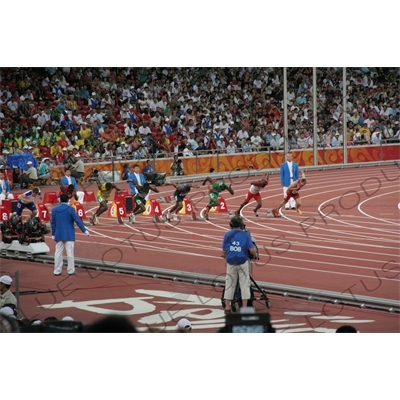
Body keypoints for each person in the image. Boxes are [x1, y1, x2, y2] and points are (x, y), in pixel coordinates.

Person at [221, 216, 258, 314]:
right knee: (244, 284)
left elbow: (224, 250)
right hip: (242, 261)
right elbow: (251, 249)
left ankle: (227, 307)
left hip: (231, 262)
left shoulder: (227, 235)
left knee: (229, 284)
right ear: (241, 225)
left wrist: (224, 254)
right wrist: (256, 255)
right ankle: (244, 308)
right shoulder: (245, 235)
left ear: (231, 225)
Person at [51, 193, 90, 276]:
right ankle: (71, 270)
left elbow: (52, 223)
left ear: (60, 200)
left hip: (58, 234)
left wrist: (53, 233)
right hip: (69, 234)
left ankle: (57, 270)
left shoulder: (54, 210)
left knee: (58, 253)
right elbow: (78, 220)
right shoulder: (71, 209)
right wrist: (84, 230)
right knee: (70, 253)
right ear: (68, 200)